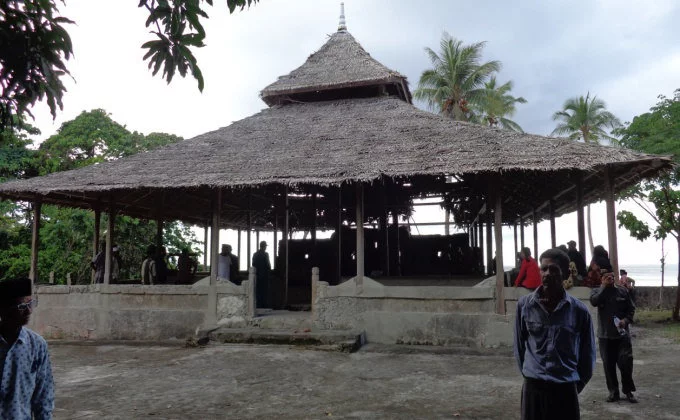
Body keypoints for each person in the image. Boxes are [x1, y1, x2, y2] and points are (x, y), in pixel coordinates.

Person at [514, 248, 596, 420]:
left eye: (554, 270)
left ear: (566, 274)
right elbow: (520, 347)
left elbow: (587, 356)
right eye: (544, 269)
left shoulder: (579, 311)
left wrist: (574, 386)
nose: (547, 274)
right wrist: (531, 375)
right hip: (533, 388)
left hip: (565, 388)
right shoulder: (525, 306)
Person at [0, 278, 54, 419]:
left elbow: (43, 397)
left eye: (31, 303)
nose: (29, 311)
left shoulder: (37, 346)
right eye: (22, 307)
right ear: (4, 309)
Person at [590, 271, 638, 403]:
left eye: (611, 276)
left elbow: (631, 309)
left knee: (626, 363)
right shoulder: (596, 292)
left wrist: (626, 321)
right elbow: (594, 302)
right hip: (605, 336)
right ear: (602, 279)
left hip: (622, 335)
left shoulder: (622, 292)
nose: (610, 279)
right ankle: (613, 392)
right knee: (609, 366)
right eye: (606, 277)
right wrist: (604, 288)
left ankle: (628, 391)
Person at [252, 241, 272, 308]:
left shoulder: (255, 254)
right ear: (263, 246)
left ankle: (258, 305)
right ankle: (264, 305)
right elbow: (268, 265)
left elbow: (253, 264)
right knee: (264, 291)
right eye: (265, 246)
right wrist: (269, 273)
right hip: (264, 276)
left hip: (257, 276)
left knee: (258, 291)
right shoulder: (265, 254)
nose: (266, 247)